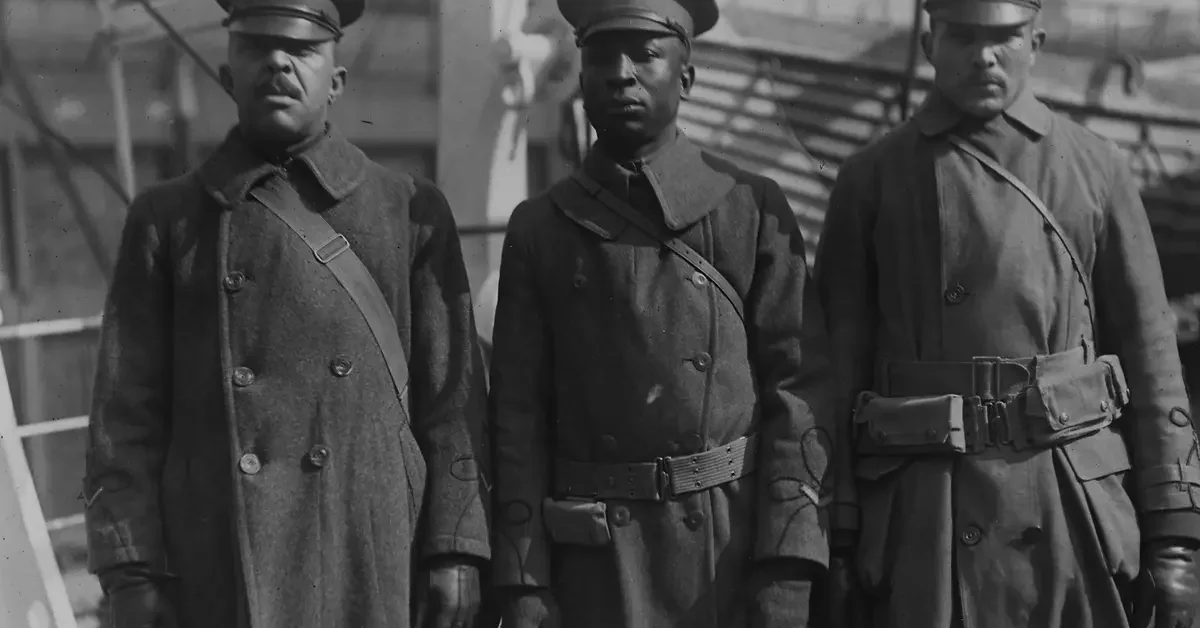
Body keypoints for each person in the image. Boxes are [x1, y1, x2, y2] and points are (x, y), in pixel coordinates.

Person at [82, 1, 491, 626]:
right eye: (257, 48)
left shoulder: (405, 209)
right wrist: (129, 565)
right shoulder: (167, 219)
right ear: (226, 74)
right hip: (214, 562)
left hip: (370, 550)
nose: (278, 62)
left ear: (337, 79)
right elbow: (125, 413)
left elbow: (451, 403)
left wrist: (456, 548)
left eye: (300, 50)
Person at [816, 1, 1200, 627]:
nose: (985, 56)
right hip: (923, 521)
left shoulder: (1094, 168)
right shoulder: (872, 179)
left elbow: (1153, 355)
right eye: (964, 37)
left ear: (1037, 42)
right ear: (928, 42)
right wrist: (836, 529)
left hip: (1066, 512)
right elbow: (836, 368)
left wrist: (1175, 538)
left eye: (1005, 38)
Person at [487, 0, 836, 626]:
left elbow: (799, 391)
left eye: (645, 53)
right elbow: (517, 416)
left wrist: (788, 564)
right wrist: (524, 579)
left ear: (687, 76)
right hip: (594, 569)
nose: (621, 73)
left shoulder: (750, 210)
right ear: (580, 75)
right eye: (601, 56)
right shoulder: (540, 228)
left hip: (726, 559)